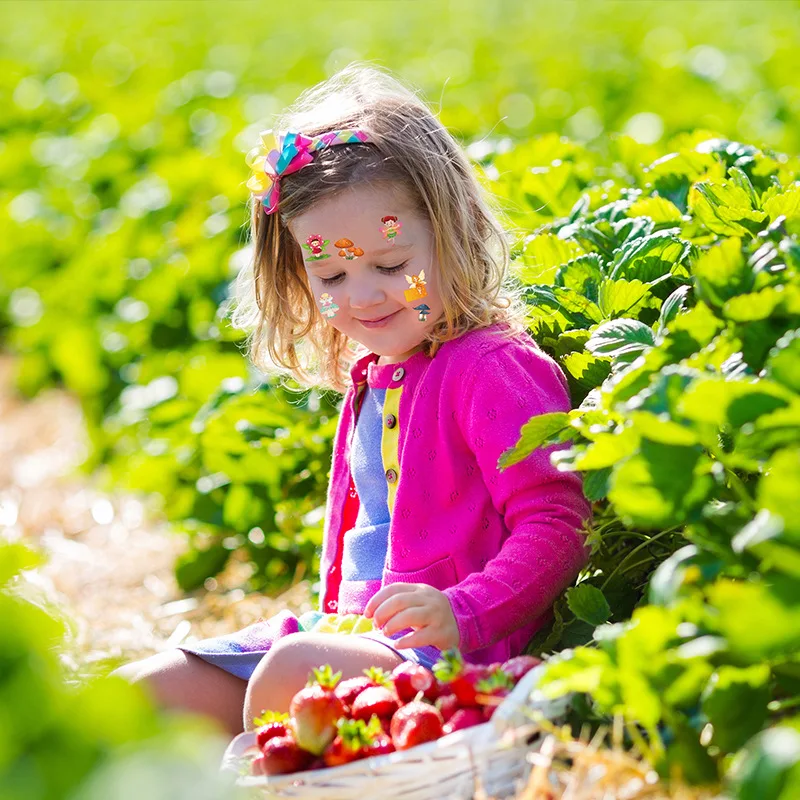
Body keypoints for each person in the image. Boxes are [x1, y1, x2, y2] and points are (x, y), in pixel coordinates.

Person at [112, 63, 592, 738]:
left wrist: (465, 612)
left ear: (449, 231)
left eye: (392, 265)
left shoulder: (489, 367)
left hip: (447, 656)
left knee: (290, 674)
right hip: (345, 639)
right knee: (134, 695)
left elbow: (557, 518)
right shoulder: (377, 375)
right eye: (332, 273)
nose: (364, 295)